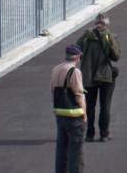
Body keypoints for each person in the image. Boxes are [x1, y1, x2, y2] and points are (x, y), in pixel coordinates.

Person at [77, 14, 121, 143]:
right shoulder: (108, 36)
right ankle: (104, 134)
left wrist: (85, 35)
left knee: (90, 106)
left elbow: (75, 49)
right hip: (105, 76)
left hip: (88, 76)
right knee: (105, 106)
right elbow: (116, 56)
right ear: (106, 24)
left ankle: (90, 134)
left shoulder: (86, 37)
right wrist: (110, 38)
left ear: (95, 23)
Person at [51, 44, 86, 173]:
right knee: (76, 152)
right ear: (77, 57)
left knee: (61, 148)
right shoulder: (74, 71)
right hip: (74, 116)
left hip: (60, 113)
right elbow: (79, 94)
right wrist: (84, 114)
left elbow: (53, 91)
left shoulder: (55, 69)